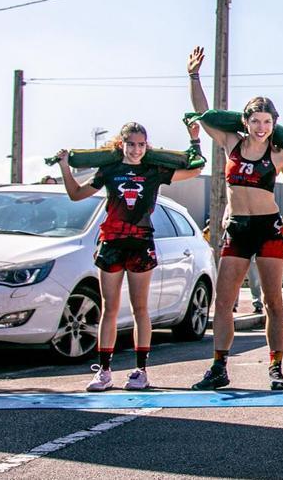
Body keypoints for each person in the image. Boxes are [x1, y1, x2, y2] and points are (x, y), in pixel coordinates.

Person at [187, 48, 283, 391]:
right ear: (245, 122)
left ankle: (276, 367)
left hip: (268, 229)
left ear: (273, 124)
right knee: (224, 298)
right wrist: (193, 76)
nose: (261, 127)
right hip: (237, 229)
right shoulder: (230, 142)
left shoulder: (277, 154)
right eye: (256, 121)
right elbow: (204, 115)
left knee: (273, 300)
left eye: (267, 122)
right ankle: (219, 366)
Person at [57, 121, 204, 391]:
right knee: (109, 307)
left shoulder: (154, 170)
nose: (136, 150)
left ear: (146, 146)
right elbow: (76, 194)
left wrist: (195, 141)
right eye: (131, 144)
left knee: (140, 308)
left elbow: (196, 169)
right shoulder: (109, 170)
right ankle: (104, 371)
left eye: (141, 144)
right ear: (121, 144)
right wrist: (65, 167)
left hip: (141, 243)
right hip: (112, 242)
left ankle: (140, 371)